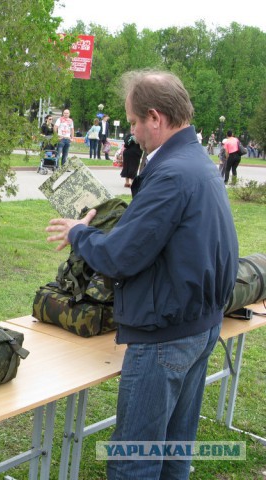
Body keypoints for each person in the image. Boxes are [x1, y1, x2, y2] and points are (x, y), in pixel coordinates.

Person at [45, 70, 238, 480]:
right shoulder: (195, 162)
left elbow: (119, 258)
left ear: (155, 117)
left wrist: (80, 232)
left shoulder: (172, 173)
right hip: (199, 324)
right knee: (171, 448)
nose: (132, 133)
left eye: (133, 122)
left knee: (137, 456)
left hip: (166, 335)